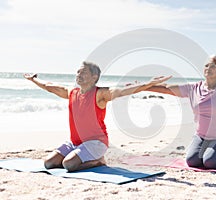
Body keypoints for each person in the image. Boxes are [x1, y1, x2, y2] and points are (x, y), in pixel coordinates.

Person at [24, 61, 170, 172]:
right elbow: (49, 86)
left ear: (94, 77)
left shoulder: (100, 94)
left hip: (96, 142)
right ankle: (81, 156)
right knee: (48, 163)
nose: (78, 75)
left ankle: (99, 161)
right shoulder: (71, 92)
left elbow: (122, 91)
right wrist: (34, 80)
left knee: (68, 165)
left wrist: (148, 84)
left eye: (83, 73)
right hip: (76, 142)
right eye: (77, 72)